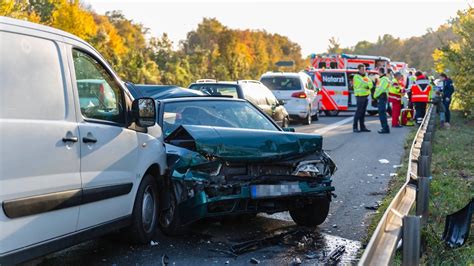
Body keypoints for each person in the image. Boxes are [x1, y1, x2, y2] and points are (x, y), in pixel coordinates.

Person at [352, 64, 373, 133]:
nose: (364, 70)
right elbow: (362, 84)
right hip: (360, 96)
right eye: (362, 69)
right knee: (358, 112)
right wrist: (367, 84)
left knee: (363, 113)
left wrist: (368, 85)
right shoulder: (356, 77)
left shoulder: (365, 76)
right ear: (359, 69)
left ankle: (362, 127)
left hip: (365, 96)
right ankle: (355, 127)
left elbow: (371, 84)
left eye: (364, 69)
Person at [373, 68, 390, 134]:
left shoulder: (383, 79)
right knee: (382, 113)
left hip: (382, 97)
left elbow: (380, 89)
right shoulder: (384, 79)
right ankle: (385, 128)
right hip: (383, 97)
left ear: (380, 72)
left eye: (378, 72)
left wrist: (374, 96)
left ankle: (385, 128)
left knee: (382, 113)